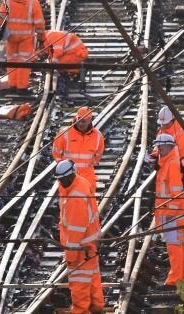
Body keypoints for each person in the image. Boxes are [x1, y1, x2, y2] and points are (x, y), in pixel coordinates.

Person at [55, 160, 104, 313]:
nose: (63, 182)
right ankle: (97, 306)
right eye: (61, 179)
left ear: (72, 175)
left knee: (79, 283)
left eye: (65, 179)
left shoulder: (75, 197)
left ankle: (81, 311)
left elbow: (76, 230)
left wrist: (70, 254)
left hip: (80, 247)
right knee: (92, 277)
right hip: (90, 243)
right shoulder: (79, 183)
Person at [153, 134, 184, 288]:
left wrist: (170, 213)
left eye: (161, 146)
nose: (159, 149)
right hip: (179, 213)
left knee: (174, 247)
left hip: (173, 214)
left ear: (169, 146)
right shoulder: (171, 162)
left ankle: (175, 279)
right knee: (183, 245)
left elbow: (176, 192)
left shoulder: (172, 165)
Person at [148, 106, 184, 208]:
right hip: (168, 172)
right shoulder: (162, 131)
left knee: (180, 201)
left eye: (165, 123)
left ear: (173, 120)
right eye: (162, 124)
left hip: (182, 173)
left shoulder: (182, 134)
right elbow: (158, 147)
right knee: (167, 199)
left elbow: (182, 157)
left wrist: (165, 163)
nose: (163, 126)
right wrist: (154, 156)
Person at [52, 106, 105, 193]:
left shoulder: (98, 136)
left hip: (87, 176)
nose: (80, 124)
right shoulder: (64, 134)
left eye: (83, 122)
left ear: (89, 121)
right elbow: (56, 153)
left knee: (89, 202)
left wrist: (87, 166)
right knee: (70, 202)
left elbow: (98, 155)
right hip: (69, 177)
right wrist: (64, 169)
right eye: (79, 120)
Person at [0, 0, 46, 92]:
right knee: (24, 61)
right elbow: (39, 23)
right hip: (26, 37)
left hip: (11, 36)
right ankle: (21, 86)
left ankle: (12, 84)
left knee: (12, 60)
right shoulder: (33, 2)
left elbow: (1, 18)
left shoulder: (8, 1)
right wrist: (41, 37)